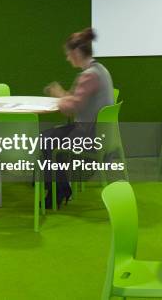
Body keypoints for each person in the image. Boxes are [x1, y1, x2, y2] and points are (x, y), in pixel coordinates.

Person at [42, 27, 114, 208]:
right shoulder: (101, 70)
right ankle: (60, 187)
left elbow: (71, 108)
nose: (67, 58)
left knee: (45, 141)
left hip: (89, 136)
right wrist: (65, 97)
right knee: (50, 139)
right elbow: (78, 101)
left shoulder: (88, 75)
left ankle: (58, 190)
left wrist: (58, 95)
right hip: (103, 134)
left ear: (75, 52)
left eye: (68, 54)